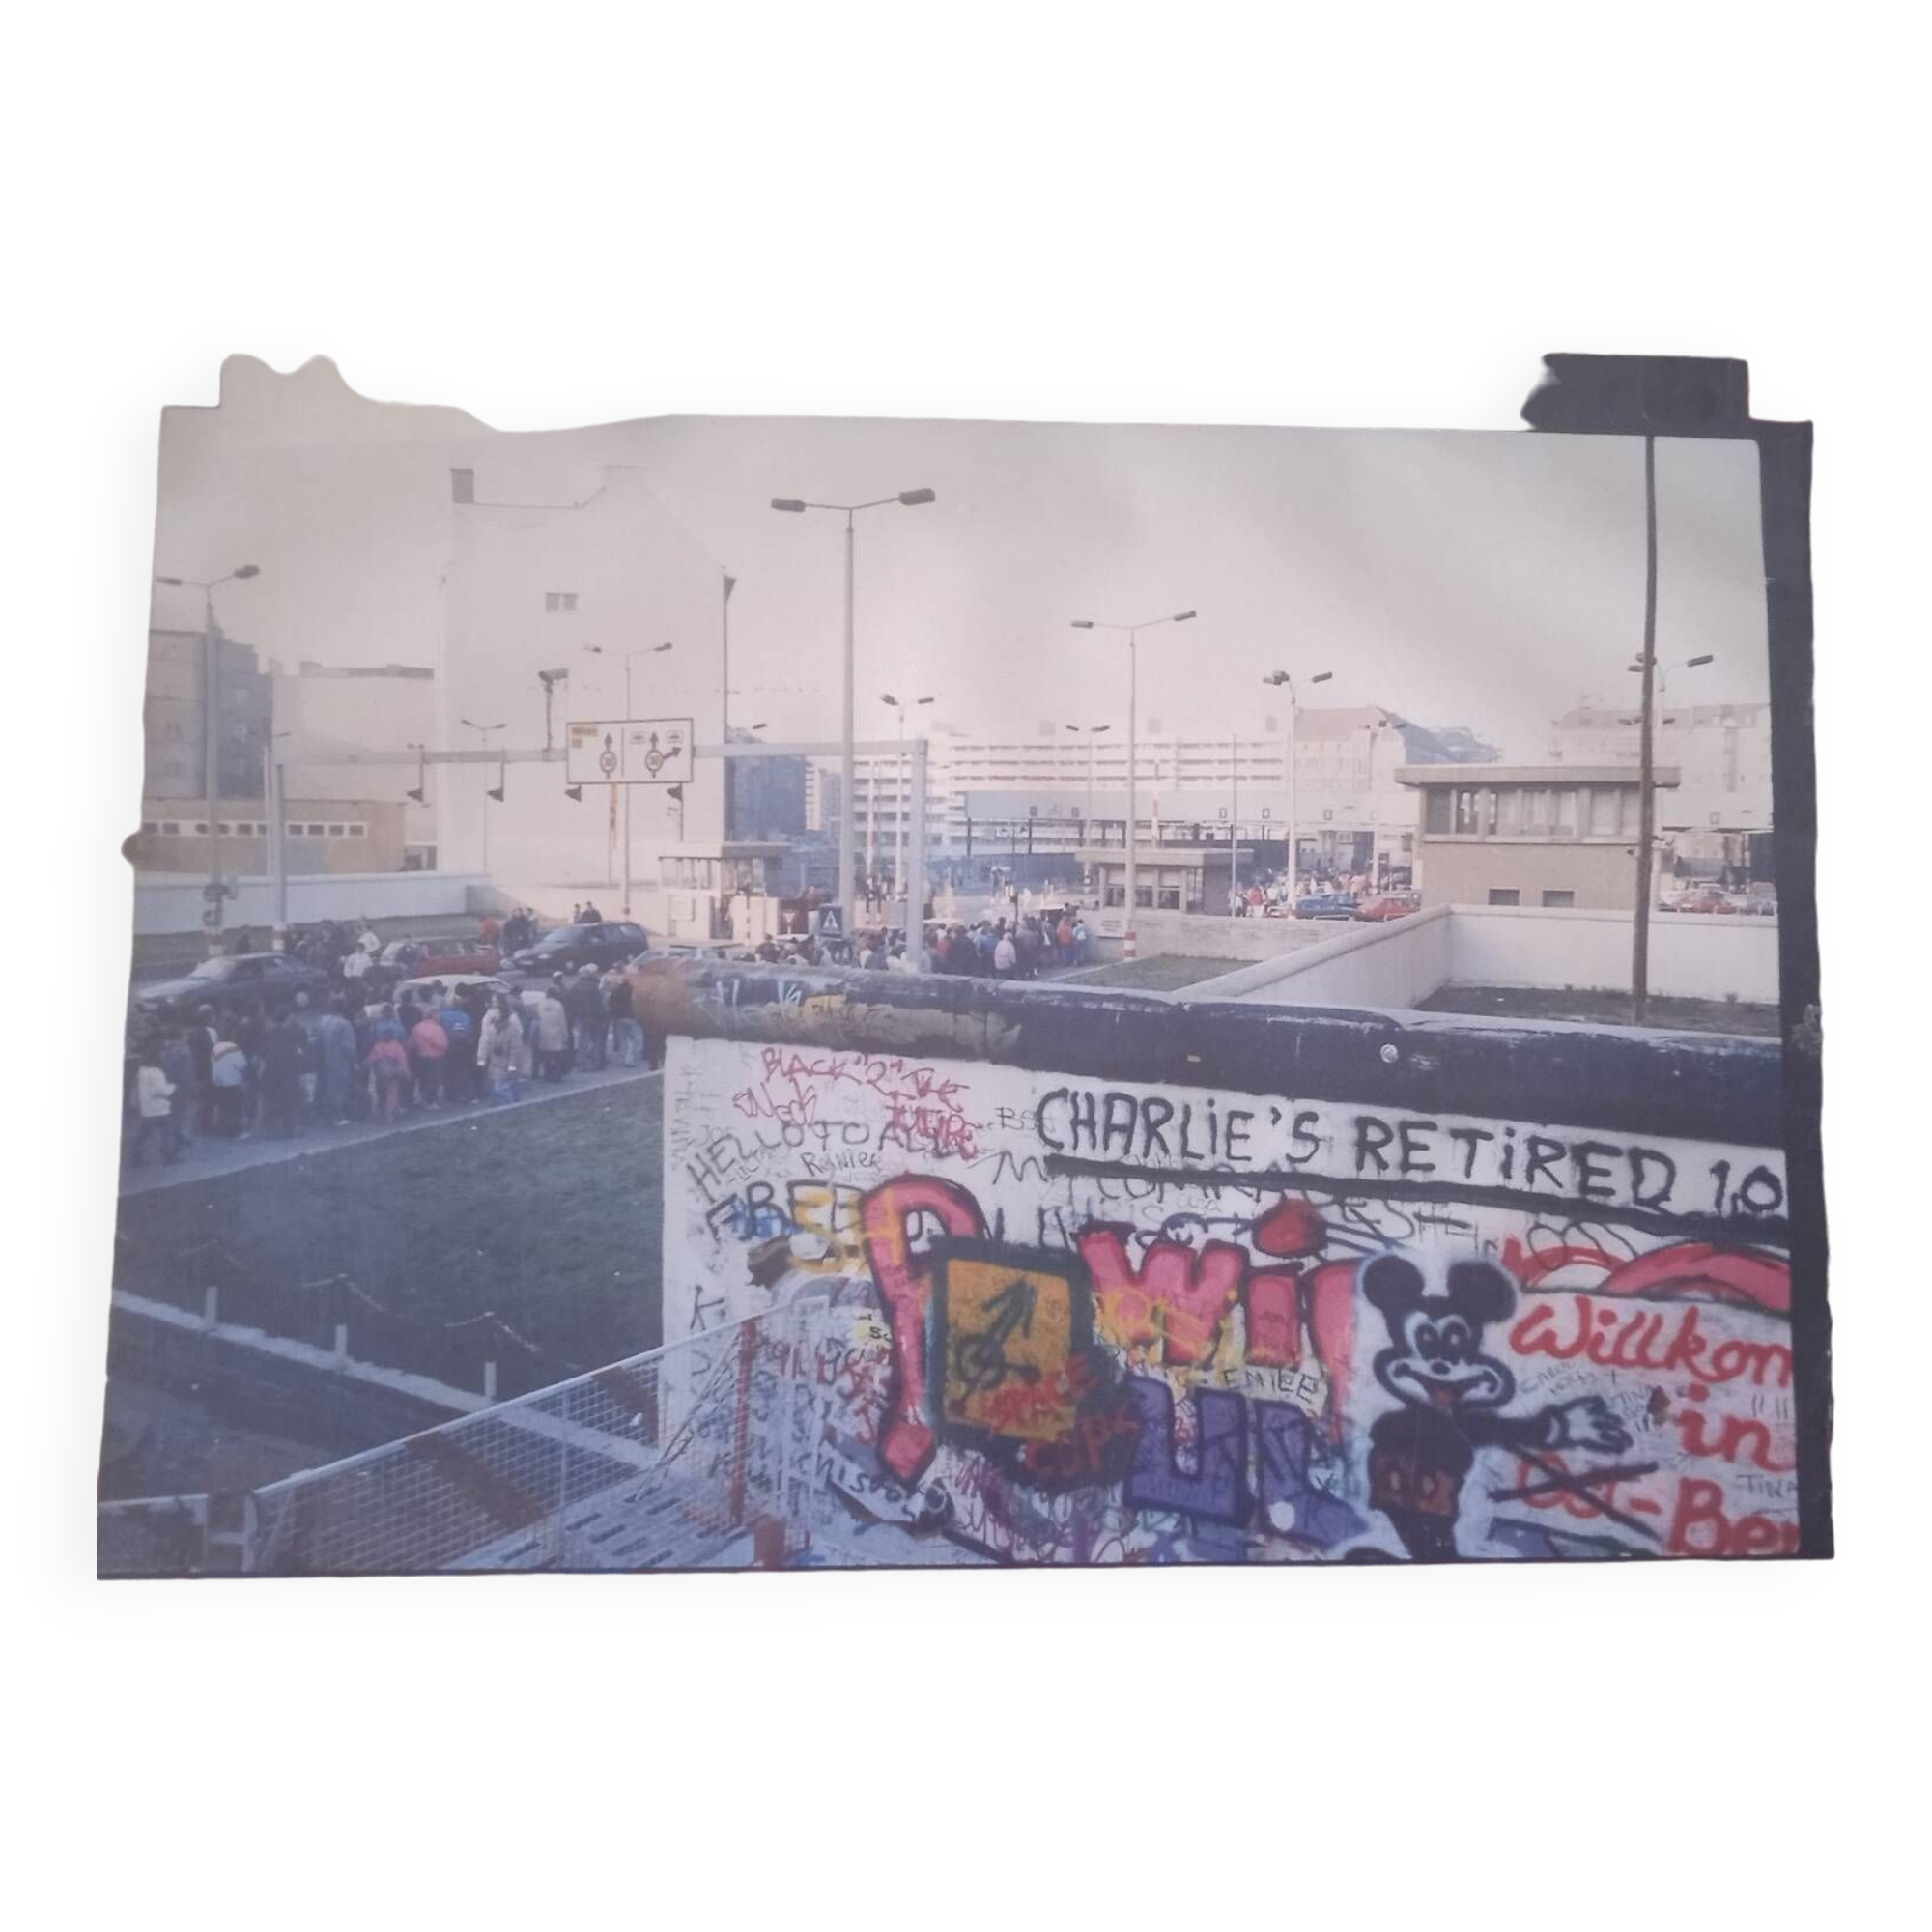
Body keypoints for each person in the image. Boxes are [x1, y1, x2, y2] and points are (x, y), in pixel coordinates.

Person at [260, 1009, 306, 1140]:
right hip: (288, 1072)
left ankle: (270, 1132)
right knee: (290, 1103)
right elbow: (295, 1053)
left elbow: (263, 1053)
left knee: (272, 1102)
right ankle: (291, 1130)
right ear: (286, 1019)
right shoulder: (291, 1033)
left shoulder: (267, 1033)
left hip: (271, 1072)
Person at [129, 1048, 179, 1167]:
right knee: (166, 1133)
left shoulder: (141, 1071)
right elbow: (162, 1091)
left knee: (143, 1134)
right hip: (159, 1109)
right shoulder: (157, 1073)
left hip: (147, 1109)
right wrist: (173, 1086)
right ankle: (168, 1157)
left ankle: (135, 1156)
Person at [316, 1000, 358, 1126]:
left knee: (327, 1089)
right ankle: (338, 1118)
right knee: (340, 1090)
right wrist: (354, 1062)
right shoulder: (344, 1024)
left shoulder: (322, 1021)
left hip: (324, 1060)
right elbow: (348, 1047)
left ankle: (325, 1115)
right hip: (340, 1061)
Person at [364, 1017, 412, 1124]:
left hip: (382, 1072)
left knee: (386, 1091)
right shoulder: (397, 1046)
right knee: (393, 1091)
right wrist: (406, 1072)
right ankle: (390, 1114)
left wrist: (364, 1067)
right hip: (395, 1072)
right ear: (393, 1036)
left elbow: (370, 1060)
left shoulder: (378, 1047)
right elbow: (402, 1061)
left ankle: (391, 1108)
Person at [479, 992, 526, 1102]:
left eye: (497, 1001)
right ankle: (508, 1104)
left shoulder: (511, 1016)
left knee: (508, 1081)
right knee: (499, 1082)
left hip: (508, 1053)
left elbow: (518, 1035)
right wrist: (482, 1055)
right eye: (493, 1001)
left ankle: (511, 1105)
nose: (495, 1004)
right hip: (495, 1054)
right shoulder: (488, 1015)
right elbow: (485, 1036)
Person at [158, 1029, 197, 1159]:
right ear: (180, 1036)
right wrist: (191, 1088)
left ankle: (172, 1142)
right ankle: (171, 1153)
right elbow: (186, 1073)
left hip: (167, 1086)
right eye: (185, 1034)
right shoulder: (183, 1051)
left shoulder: (164, 1050)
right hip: (180, 1088)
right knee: (177, 1118)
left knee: (170, 1116)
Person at [436, 987, 474, 1103]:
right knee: (464, 1070)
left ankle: (451, 1095)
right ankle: (468, 1094)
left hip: (450, 1045)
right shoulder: (465, 1016)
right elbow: (469, 1030)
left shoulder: (443, 1015)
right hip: (464, 1045)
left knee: (449, 1071)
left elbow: (440, 1030)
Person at [567, 965, 608, 1069]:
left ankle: (583, 1065)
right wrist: (602, 1015)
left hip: (580, 1018)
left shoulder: (574, 987)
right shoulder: (594, 987)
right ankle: (596, 1064)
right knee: (596, 1040)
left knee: (582, 1041)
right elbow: (599, 1003)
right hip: (594, 1017)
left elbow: (571, 1004)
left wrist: (572, 1017)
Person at [408, 1005, 450, 1108]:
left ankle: (423, 1099)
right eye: (438, 1014)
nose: (440, 1017)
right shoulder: (437, 1029)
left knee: (423, 1080)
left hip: (420, 1057)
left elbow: (411, 1044)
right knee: (434, 1081)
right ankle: (431, 1102)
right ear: (433, 1016)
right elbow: (444, 1044)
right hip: (435, 1057)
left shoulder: (416, 1027)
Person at [209, 1035, 248, 1138]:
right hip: (232, 1081)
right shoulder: (233, 1047)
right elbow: (241, 1064)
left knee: (222, 1107)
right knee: (234, 1108)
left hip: (218, 1081)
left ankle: (222, 1131)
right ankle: (235, 1132)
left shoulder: (215, 1047)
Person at [536, 980, 571, 1081]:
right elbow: (562, 1022)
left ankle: (547, 1074)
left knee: (546, 1056)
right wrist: (565, 1036)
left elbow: (537, 1018)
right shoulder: (558, 1005)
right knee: (557, 1056)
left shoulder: (540, 1004)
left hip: (543, 1033)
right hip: (556, 1033)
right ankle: (556, 1075)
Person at [607, 972, 642, 1067]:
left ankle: (624, 1058)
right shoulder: (634, 991)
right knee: (636, 1038)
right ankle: (630, 1058)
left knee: (624, 1039)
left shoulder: (616, 991)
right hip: (632, 1017)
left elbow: (610, 1004)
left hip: (619, 1018)